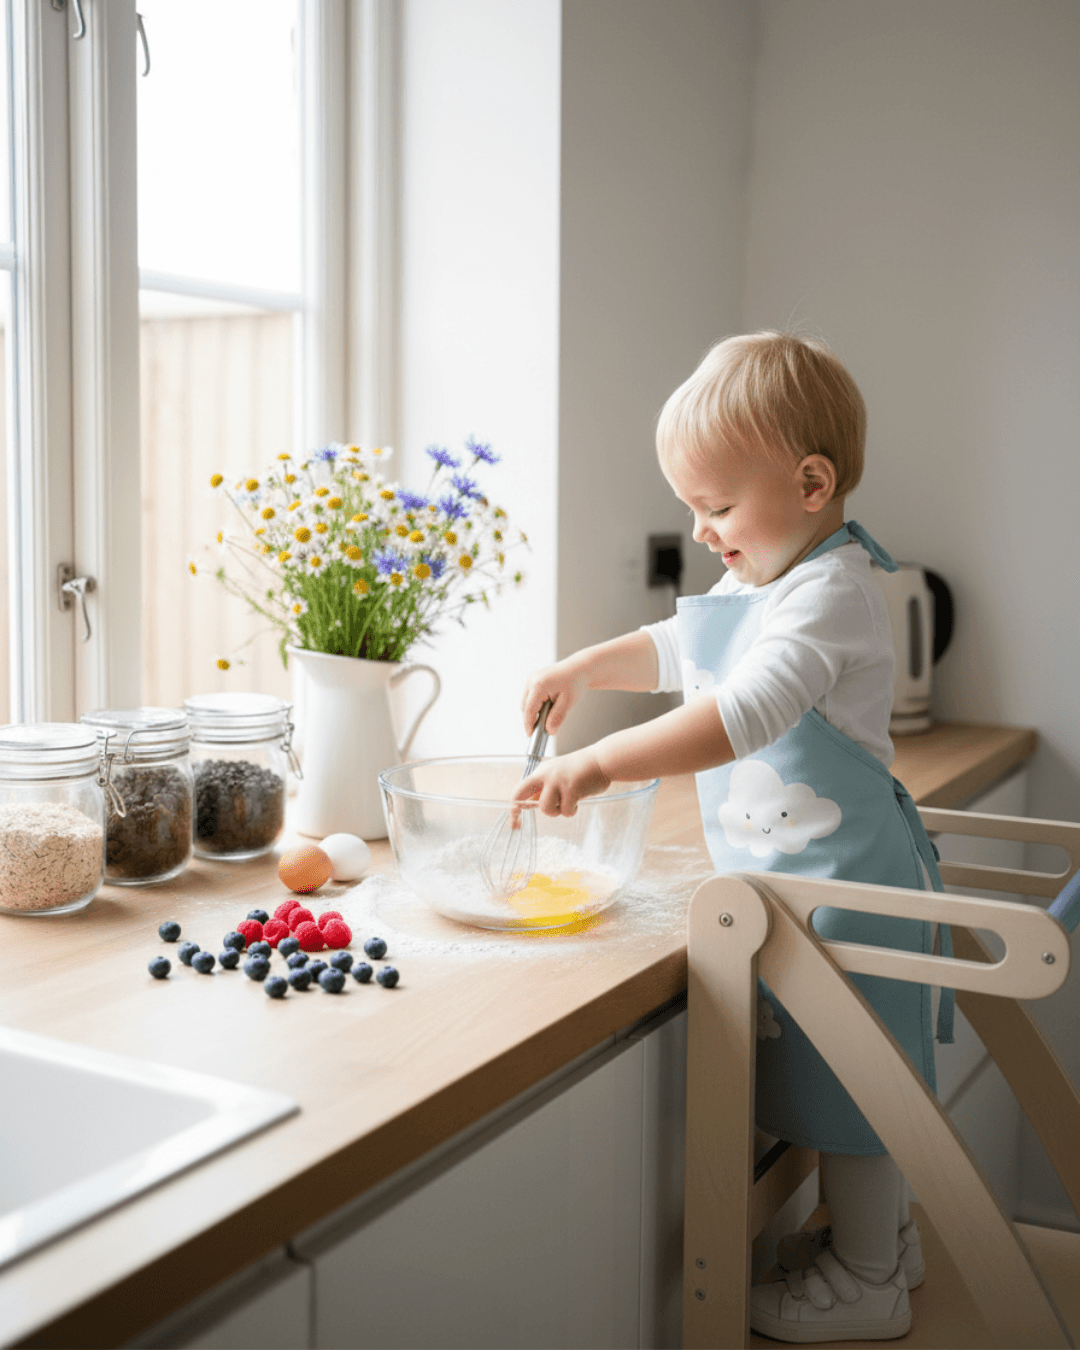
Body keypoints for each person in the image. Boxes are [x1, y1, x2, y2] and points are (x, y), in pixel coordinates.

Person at [514, 331, 952, 1344]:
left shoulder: (832, 594)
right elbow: (684, 648)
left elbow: (743, 709)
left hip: (850, 889)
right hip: (797, 884)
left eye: (716, 507)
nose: (702, 531)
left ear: (810, 483)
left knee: (858, 1083)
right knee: (836, 1076)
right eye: (692, 509)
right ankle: (879, 1244)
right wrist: (586, 666)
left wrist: (601, 762)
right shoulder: (762, 584)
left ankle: (872, 1277)